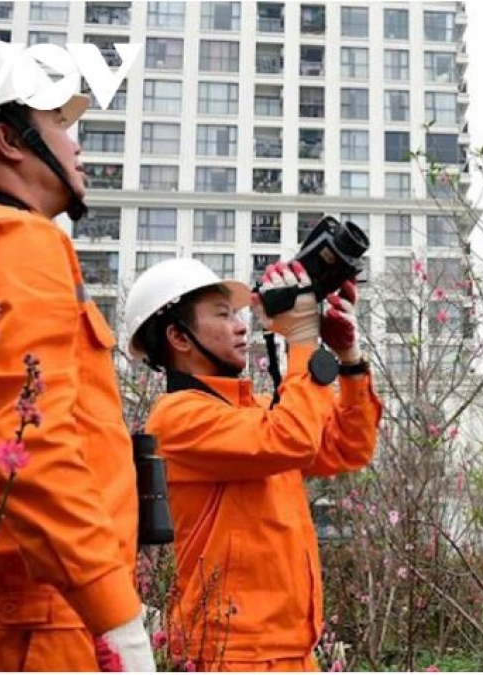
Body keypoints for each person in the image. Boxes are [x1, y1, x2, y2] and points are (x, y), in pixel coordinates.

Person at [0, 39, 154, 670]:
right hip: (22, 629)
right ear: (10, 140)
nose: (76, 146)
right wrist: (118, 615)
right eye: (57, 125)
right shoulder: (15, 241)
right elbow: (25, 445)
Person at [125, 257, 381, 671]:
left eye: (240, 315)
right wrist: (301, 342)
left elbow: (347, 448)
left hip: (293, 653)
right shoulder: (177, 418)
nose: (242, 326)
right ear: (179, 336)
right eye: (224, 315)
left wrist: (348, 359)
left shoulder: (259, 412)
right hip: (233, 655)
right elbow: (292, 439)